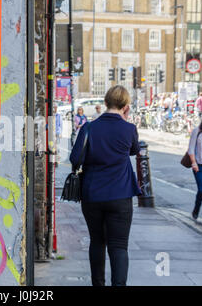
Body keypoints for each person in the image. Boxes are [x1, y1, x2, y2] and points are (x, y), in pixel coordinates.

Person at [70, 85, 141, 286]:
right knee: (119, 246)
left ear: (105, 103)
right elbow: (134, 150)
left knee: (97, 242)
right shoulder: (129, 128)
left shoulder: (89, 127)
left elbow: (75, 158)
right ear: (126, 106)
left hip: (92, 195)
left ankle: (98, 284)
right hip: (120, 195)